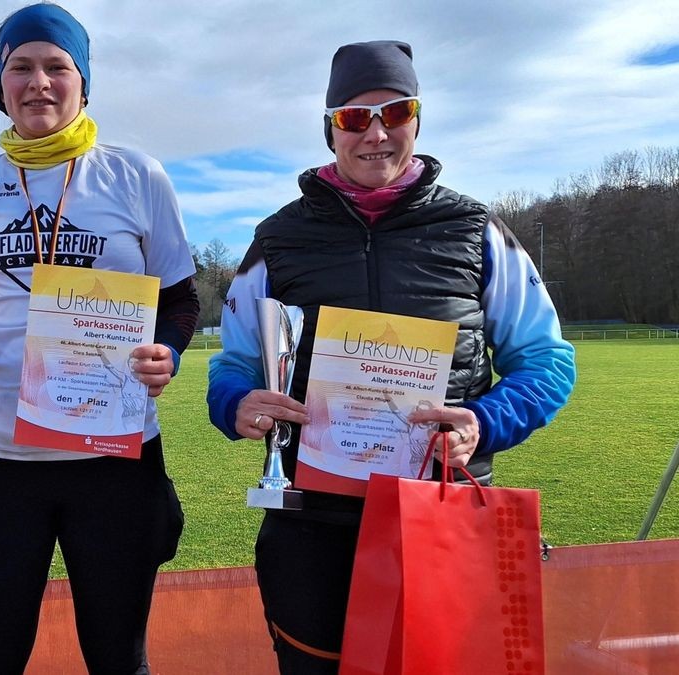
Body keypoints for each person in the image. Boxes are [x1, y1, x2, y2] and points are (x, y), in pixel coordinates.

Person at [207, 41, 576, 673]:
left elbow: (547, 360)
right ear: (330, 129)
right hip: (314, 520)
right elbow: (233, 362)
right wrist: (237, 403)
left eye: (395, 112)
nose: (376, 133)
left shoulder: (477, 228)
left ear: (418, 121)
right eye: (354, 117)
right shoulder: (277, 237)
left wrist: (483, 423)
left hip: (442, 508)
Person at [0, 4, 199, 673]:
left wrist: (169, 352)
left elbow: (181, 299)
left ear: (83, 81)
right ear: (0, 83)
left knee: (118, 656)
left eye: (57, 66)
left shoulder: (137, 175)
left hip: (112, 458)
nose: (38, 82)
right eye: (21, 66)